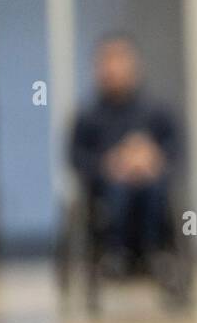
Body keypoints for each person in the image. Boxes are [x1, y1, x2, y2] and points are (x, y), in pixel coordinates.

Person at [69, 35, 181, 279]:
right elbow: (76, 158)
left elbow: (176, 152)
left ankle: (155, 252)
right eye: (107, 60)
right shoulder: (88, 116)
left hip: (151, 184)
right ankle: (115, 253)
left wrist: (152, 159)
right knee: (117, 189)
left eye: (120, 59)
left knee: (155, 189)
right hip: (106, 191)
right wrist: (107, 165)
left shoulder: (157, 111)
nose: (114, 67)